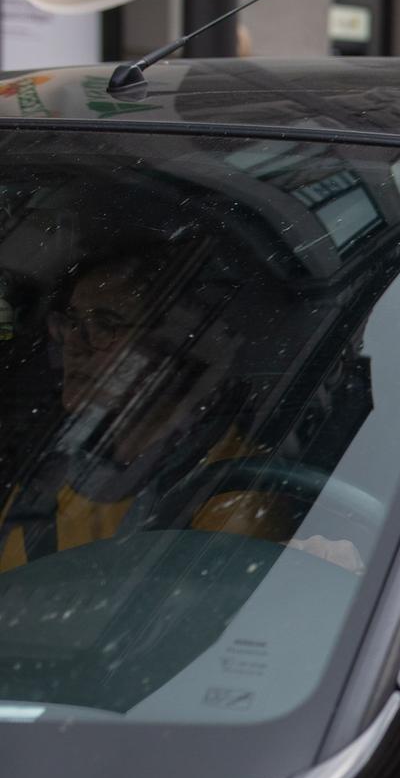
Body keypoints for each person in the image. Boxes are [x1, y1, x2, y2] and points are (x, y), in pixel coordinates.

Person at [0, 244, 297, 571]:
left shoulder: (231, 494)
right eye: (71, 322)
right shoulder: (56, 449)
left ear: (178, 348)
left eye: (104, 325)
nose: (74, 342)